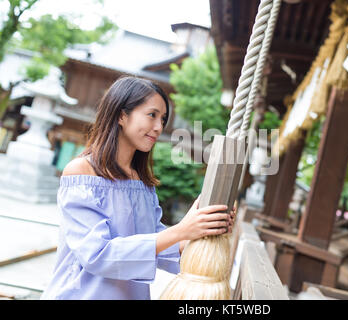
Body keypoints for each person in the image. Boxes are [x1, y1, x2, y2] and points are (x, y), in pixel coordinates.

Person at [41, 76, 235, 300]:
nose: (158, 127)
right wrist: (181, 230)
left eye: (163, 119)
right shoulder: (81, 172)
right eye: (152, 115)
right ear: (122, 115)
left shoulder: (142, 182)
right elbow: (97, 255)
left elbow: (157, 245)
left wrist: (205, 229)